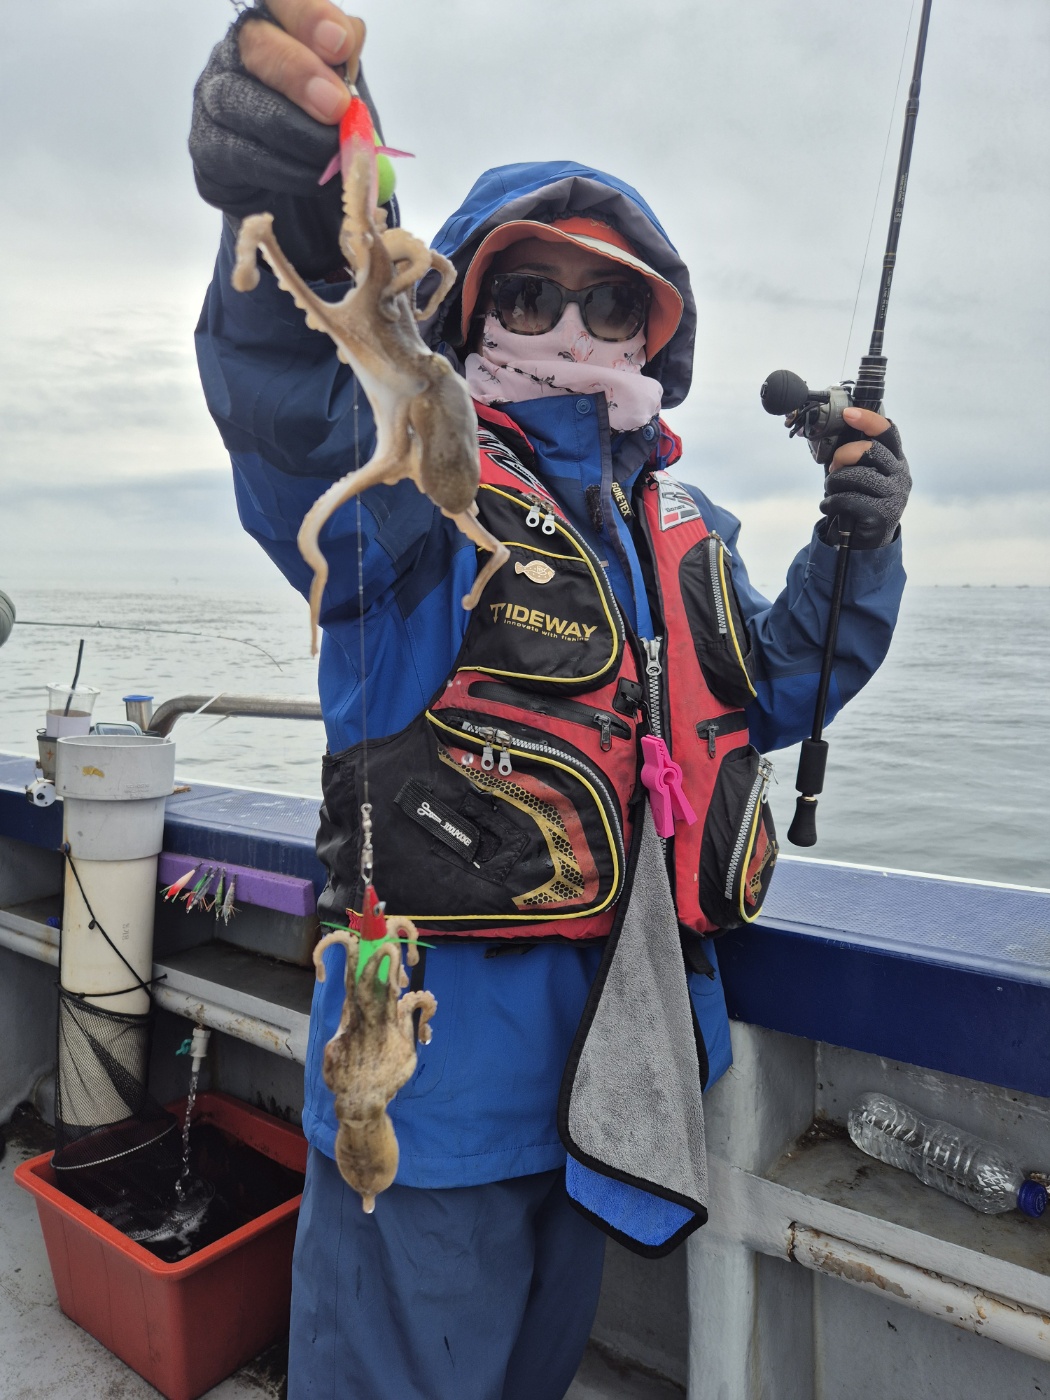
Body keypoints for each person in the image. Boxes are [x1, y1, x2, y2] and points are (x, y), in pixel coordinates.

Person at [190, 5, 910, 1395]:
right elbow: (296, 409)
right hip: (426, 1089)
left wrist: (856, 543)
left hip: (620, 1072)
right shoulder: (412, 477)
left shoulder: (679, 523)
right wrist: (294, 218)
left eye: (609, 301)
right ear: (467, 309)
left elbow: (775, 688)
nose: (570, 326)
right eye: (527, 294)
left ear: (655, 329)